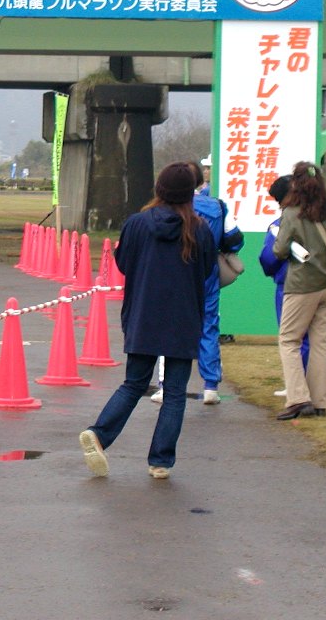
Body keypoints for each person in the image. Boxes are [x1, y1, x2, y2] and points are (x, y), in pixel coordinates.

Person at [79, 162, 215, 480]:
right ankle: (160, 461)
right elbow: (207, 269)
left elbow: (124, 263)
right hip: (183, 317)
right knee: (175, 392)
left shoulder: (137, 224)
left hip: (143, 313)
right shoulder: (200, 229)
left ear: (159, 189)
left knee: (134, 383)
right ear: (190, 193)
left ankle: (99, 434)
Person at [151, 159, 242, 406]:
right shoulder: (218, 206)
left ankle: (165, 385)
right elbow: (235, 240)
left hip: (174, 274)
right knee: (209, 327)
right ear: (200, 181)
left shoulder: (165, 208)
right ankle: (211, 385)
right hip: (207, 274)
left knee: (169, 327)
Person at [271, 160, 326, 421]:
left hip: (301, 286)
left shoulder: (291, 214)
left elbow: (279, 250)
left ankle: (298, 398)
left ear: (295, 185)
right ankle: (319, 401)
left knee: (289, 340)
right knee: (321, 343)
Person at [258, 174, 309, 396]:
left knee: (291, 338)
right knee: (313, 339)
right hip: (318, 284)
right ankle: (309, 384)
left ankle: (296, 386)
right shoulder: (318, 219)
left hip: (288, 284)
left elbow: (269, 258)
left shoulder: (279, 225)